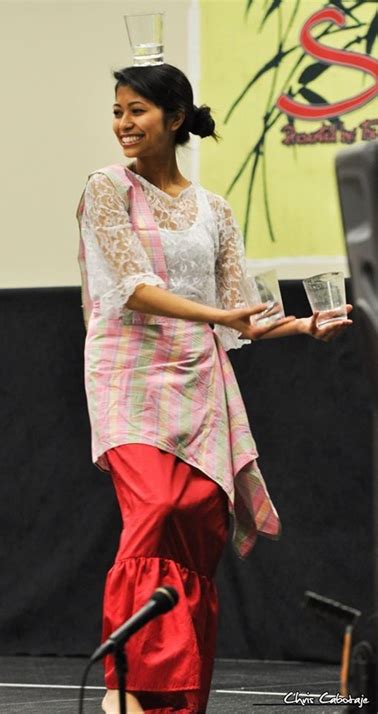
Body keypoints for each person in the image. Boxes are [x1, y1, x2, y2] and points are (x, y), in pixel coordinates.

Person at [76, 63, 352, 714]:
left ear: (174, 119)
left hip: (200, 384)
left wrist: (304, 325)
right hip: (128, 375)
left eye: (136, 110)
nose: (122, 123)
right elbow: (131, 289)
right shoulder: (105, 190)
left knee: (197, 531)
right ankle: (128, 684)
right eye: (117, 111)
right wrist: (219, 318)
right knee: (157, 511)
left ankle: (180, 698)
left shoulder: (216, 209)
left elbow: (241, 311)